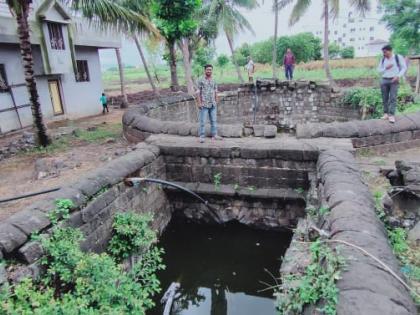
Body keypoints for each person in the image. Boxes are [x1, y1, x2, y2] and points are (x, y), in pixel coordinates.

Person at [377, 45, 407, 123]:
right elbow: (379, 70)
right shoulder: (383, 59)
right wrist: (385, 68)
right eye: (383, 52)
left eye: (385, 52)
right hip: (384, 80)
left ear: (390, 51)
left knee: (393, 98)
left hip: (394, 80)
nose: (384, 54)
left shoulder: (398, 57)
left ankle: (391, 115)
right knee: (384, 98)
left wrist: (398, 76)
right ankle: (386, 114)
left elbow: (404, 67)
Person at [196, 64, 222, 143]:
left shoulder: (214, 80)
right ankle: (201, 136)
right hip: (204, 104)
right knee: (203, 121)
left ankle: (215, 135)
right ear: (205, 70)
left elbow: (216, 90)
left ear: (212, 71)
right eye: (207, 69)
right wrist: (199, 103)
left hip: (213, 104)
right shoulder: (200, 80)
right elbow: (198, 92)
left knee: (214, 121)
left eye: (210, 69)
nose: (209, 71)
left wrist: (216, 100)